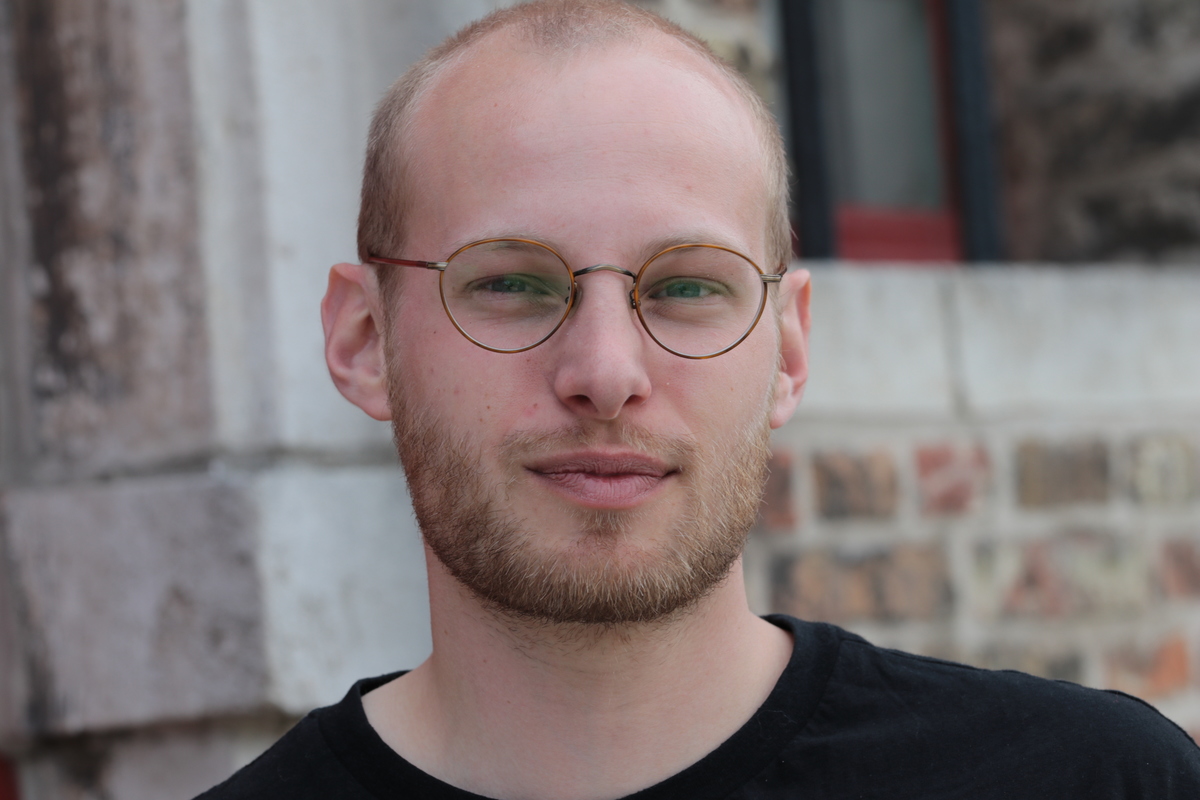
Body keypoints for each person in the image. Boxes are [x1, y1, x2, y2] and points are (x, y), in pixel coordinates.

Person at [197, 1, 1200, 798]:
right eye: (509, 282)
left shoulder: (1095, 780)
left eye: (685, 287)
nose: (605, 371)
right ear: (364, 341)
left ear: (789, 349)